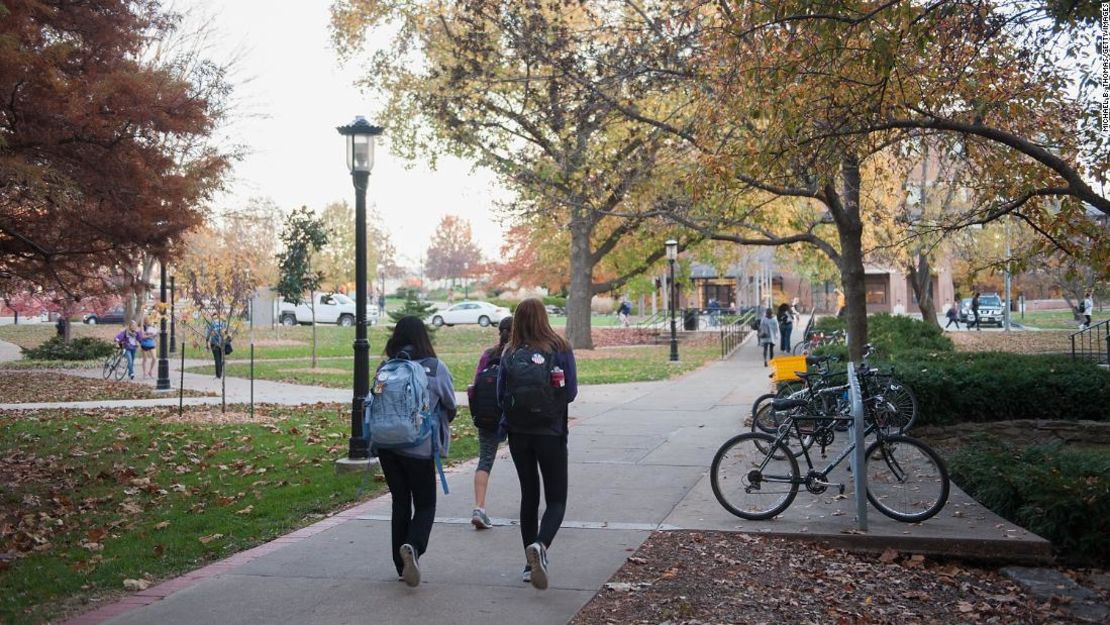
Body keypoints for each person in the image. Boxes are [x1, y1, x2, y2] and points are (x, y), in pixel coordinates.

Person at [497, 298, 577, 590]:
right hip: (551, 432)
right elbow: (571, 392)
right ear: (544, 318)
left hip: (519, 434)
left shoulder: (510, 352)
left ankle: (528, 565)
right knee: (556, 499)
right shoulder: (561, 348)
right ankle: (541, 545)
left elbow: (500, 395)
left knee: (529, 497)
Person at [375, 316, 456, 587]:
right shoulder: (434, 368)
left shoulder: (386, 368)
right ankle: (413, 547)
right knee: (425, 504)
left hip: (386, 445)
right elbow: (451, 406)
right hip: (419, 448)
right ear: (424, 337)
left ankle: (401, 567)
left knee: (400, 501)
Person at [469, 316, 512, 530]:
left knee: (485, 460)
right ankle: (530, 506)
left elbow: (475, 385)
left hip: (488, 416)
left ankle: (479, 507)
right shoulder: (520, 355)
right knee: (528, 462)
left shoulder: (488, 355)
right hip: (516, 416)